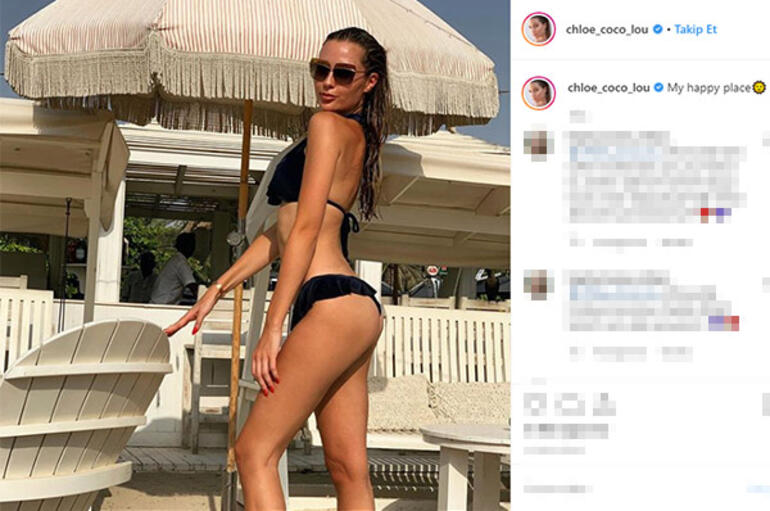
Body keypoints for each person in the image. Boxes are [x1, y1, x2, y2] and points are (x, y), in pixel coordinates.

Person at [164, 27, 389, 510]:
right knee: (348, 469)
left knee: (254, 452)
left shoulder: (326, 126)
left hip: (327, 302)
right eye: (320, 70)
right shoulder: (356, 135)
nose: (327, 82)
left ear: (368, 82)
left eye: (343, 73)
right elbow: (280, 234)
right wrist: (217, 289)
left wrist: (272, 328)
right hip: (356, 306)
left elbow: (304, 229)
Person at [150, 233, 198, 305]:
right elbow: (192, 286)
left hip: (159, 303)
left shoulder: (176, 260)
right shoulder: (181, 262)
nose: (193, 248)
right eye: (191, 245)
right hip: (161, 305)